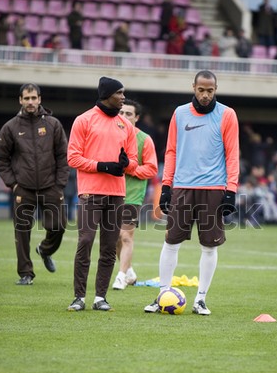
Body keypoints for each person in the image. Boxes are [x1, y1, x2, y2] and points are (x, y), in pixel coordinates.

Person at [144, 70, 240, 315]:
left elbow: (232, 155)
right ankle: (163, 295)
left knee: (209, 246)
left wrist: (231, 190)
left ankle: (200, 299)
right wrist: (166, 186)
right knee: (171, 241)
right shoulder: (179, 113)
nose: (205, 95)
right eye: (201, 90)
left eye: (210, 90)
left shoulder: (227, 115)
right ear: (193, 88)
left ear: (215, 89)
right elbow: (171, 151)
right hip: (182, 187)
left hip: (214, 188)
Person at [66, 77, 138, 312]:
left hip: (116, 194)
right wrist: (104, 166)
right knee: (85, 241)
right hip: (89, 193)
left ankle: (100, 297)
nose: (123, 97)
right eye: (119, 93)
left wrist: (126, 164)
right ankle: (78, 297)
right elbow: (73, 157)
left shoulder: (126, 126)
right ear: (107, 94)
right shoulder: (83, 120)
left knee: (108, 247)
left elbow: (134, 163)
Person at [0, 83, 69, 285]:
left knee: (59, 225)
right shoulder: (10, 127)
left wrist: (60, 184)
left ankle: (44, 250)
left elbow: (63, 156)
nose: (30, 102)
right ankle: (26, 274)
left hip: (51, 186)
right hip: (23, 188)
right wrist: (13, 184)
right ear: (20, 100)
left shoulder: (53, 124)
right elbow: (0, 159)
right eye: (26, 98)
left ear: (40, 99)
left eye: (33, 98)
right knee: (22, 231)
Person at [112, 99, 158, 290]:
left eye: (128, 114)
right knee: (114, 237)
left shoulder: (144, 139)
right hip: (111, 193)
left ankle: (121, 276)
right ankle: (129, 270)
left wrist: (130, 169)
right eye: (121, 113)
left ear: (136, 117)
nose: (123, 117)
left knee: (126, 236)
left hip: (132, 195)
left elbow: (151, 169)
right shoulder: (109, 136)